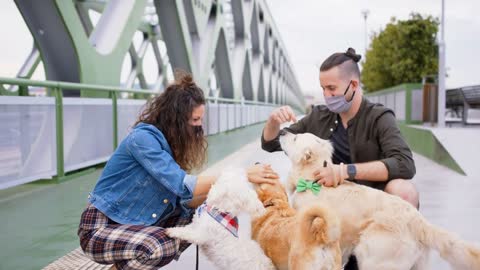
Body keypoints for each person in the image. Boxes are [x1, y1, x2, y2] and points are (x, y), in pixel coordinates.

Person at [77, 71, 278, 270]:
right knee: (158, 245)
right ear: (176, 119)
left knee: (198, 218)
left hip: (131, 228)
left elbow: (186, 200)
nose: (200, 127)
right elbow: (183, 186)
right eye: (195, 120)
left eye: (201, 120)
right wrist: (241, 174)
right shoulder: (142, 140)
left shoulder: (170, 147)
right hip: (100, 229)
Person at [261, 48, 419, 270]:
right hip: (332, 216)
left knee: (404, 190)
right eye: (323, 88)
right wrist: (273, 122)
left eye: (332, 88)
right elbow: (270, 143)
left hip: (368, 211)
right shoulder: (318, 116)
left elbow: (404, 163)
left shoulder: (379, 118)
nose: (327, 95)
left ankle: (394, 254)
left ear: (353, 85)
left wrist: (346, 171)